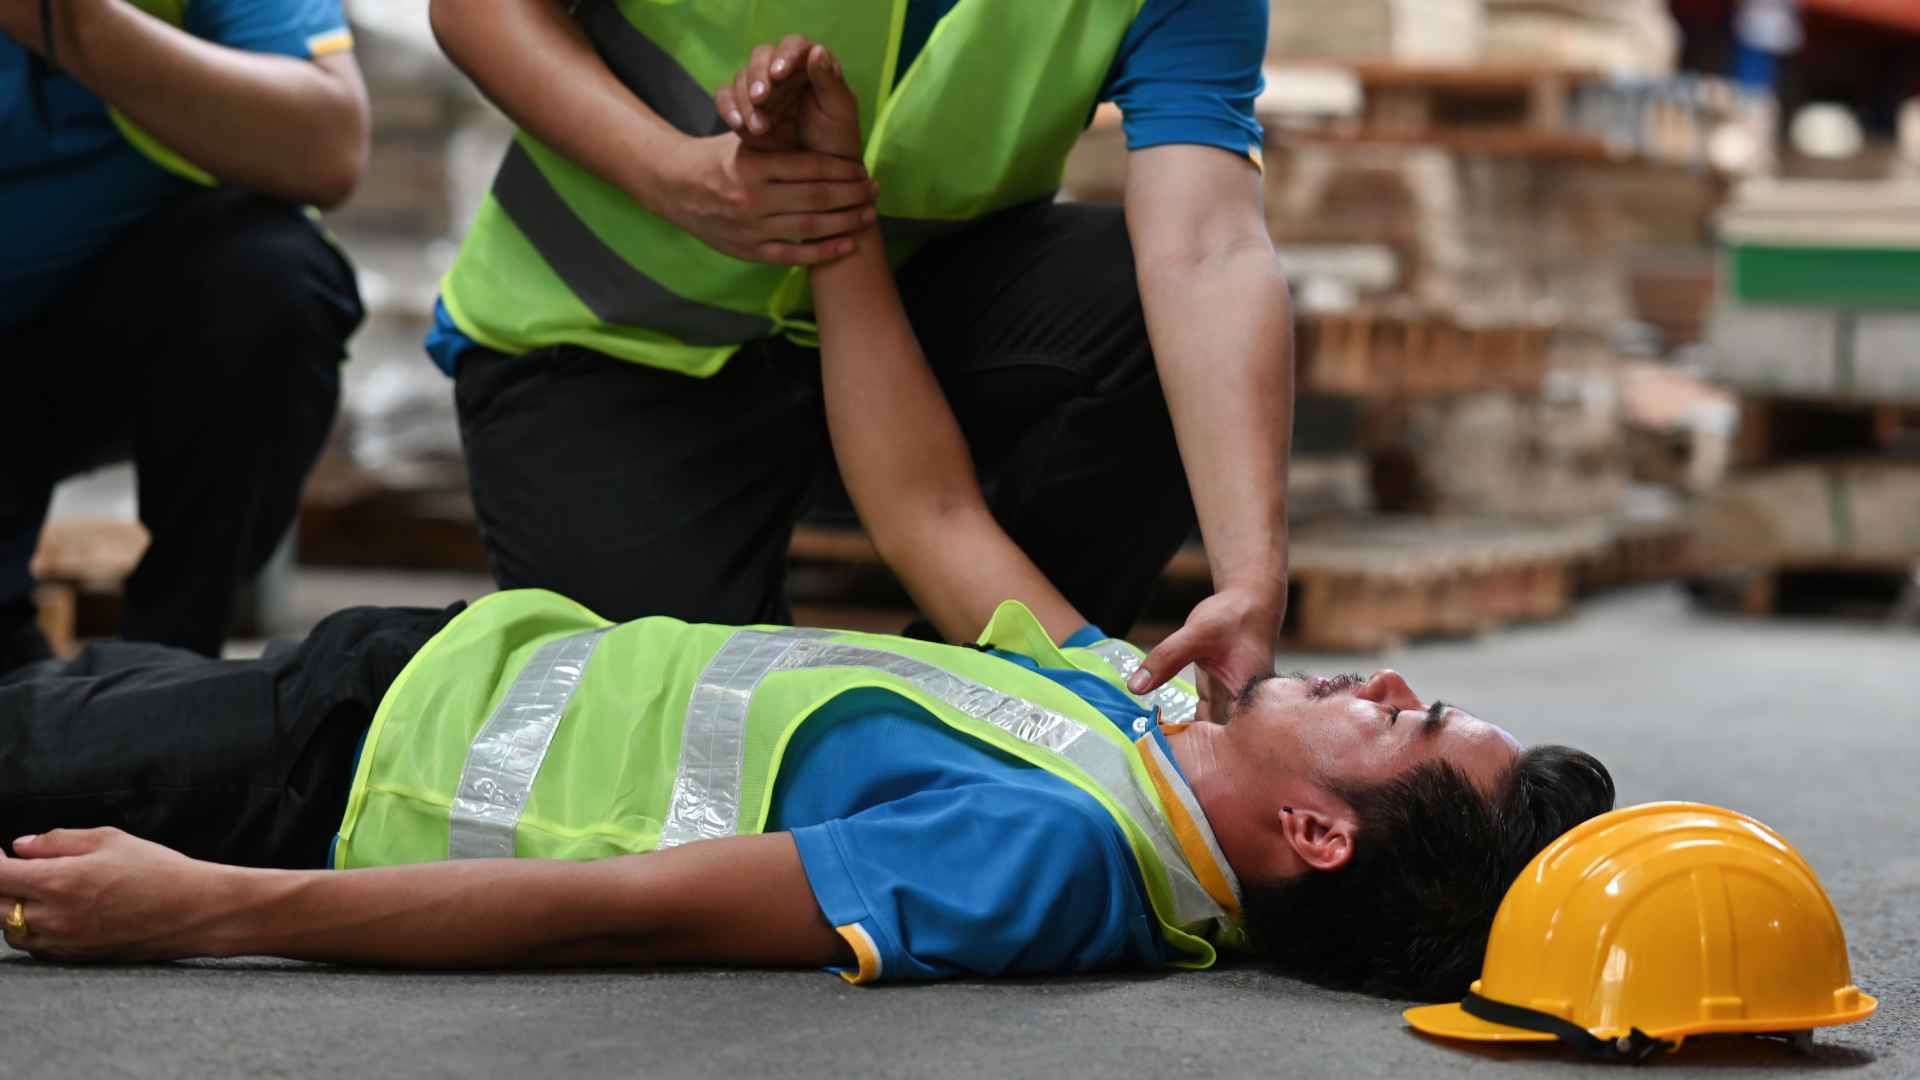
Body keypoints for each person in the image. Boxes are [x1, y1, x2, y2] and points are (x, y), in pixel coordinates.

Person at [0, 53, 1616, 999]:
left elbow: (618, 912)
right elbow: (924, 506)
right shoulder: (1121, 716)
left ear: (1320, 839)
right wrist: (829, 203)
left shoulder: (1056, 856)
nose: (1387, 684)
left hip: (357, 774)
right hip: (434, 669)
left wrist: (208, 905)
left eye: (1418, 729)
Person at [424, 0, 1294, 717]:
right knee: (691, 750)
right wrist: (674, 177)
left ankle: (998, 716)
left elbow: (1208, 249)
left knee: (1139, 316)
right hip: (612, 341)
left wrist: (1250, 580)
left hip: (905, 327)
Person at [0, 0, 370, 663]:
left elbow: (329, 144)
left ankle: (168, 667)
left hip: (88, 332)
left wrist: (78, 24)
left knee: (270, 278)